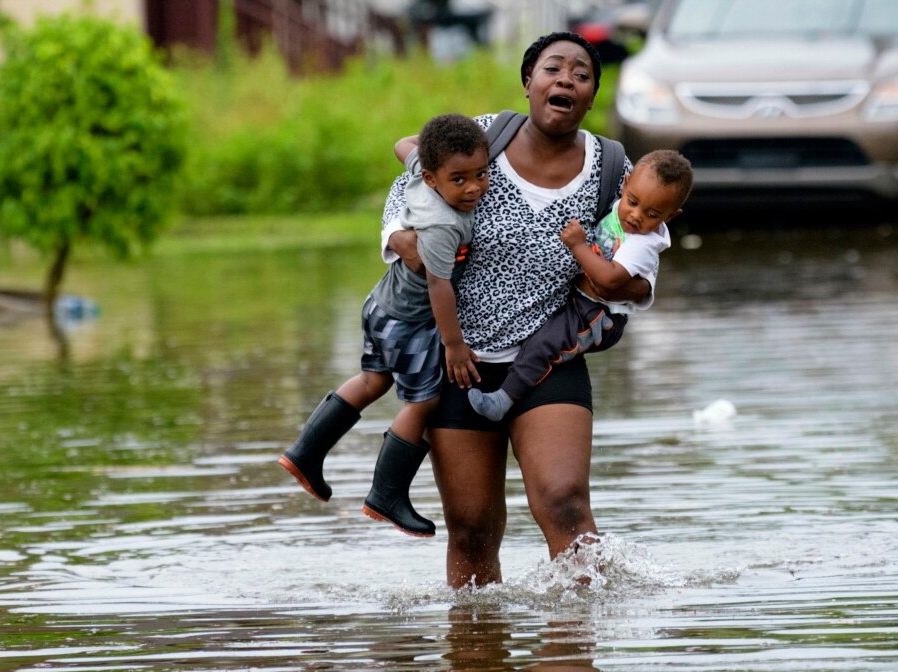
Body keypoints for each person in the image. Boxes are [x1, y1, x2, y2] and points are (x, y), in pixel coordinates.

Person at [383, 31, 651, 587]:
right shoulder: (483, 136)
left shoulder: (613, 168)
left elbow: (646, 237)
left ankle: (577, 653)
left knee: (564, 502)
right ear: (528, 82)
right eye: (553, 68)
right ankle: (476, 660)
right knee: (472, 527)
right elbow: (409, 183)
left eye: (581, 75)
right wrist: (400, 239)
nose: (566, 79)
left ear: (591, 97)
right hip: (458, 359)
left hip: (548, 356)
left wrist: (632, 285)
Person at [278, 113, 489, 538]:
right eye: (459, 179)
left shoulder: (420, 170)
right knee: (423, 402)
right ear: (432, 180)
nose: (473, 188)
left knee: (373, 380)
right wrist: (453, 345)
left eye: (481, 174)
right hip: (410, 321)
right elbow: (438, 284)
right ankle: (386, 494)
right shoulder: (443, 224)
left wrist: (428, 150)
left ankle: (305, 452)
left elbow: (401, 144)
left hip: (379, 306)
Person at [468, 150, 692, 421]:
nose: (636, 215)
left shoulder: (643, 244)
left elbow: (608, 280)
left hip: (597, 316)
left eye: (652, 214)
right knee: (538, 335)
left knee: (545, 344)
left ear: (670, 216)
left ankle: (503, 400)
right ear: (626, 182)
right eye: (632, 202)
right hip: (580, 301)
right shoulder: (617, 206)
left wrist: (577, 246)